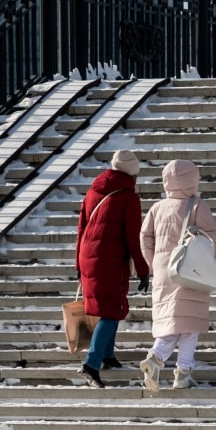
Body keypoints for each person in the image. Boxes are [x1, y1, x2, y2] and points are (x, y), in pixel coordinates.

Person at [139, 158, 216, 391]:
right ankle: (181, 372)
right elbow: (211, 237)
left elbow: (145, 238)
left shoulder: (157, 207)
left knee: (172, 324)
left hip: (165, 272)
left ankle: (157, 358)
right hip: (191, 272)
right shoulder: (197, 205)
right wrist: (211, 262)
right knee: (189, 325)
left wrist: (154, 263)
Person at [75, 149, 151, 388]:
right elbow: (133, 238)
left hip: (88, 256)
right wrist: (143, 269)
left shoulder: (92, 192)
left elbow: (81, 230)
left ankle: (107, 356)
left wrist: (78, 263)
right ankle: (91, 363)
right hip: (109, 259)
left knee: (110, 305)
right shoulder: (128, 196)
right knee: (111, 310)